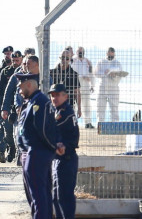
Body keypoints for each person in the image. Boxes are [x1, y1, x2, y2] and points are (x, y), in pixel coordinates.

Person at [16, 72, 63, 219]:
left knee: (39, 198)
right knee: (37, 197)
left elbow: (44, 130)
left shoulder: (40, 102)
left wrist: (53, 147)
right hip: (32, 153)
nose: (19, 91)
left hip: (36, 154)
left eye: (20, 87)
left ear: (29, 84)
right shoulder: (32, 101)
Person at [49, 83, 80, 219]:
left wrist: (63, 146)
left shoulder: (65, 112)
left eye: (58, 95)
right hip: (59, 158)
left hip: (66, 159)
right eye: (52, 95)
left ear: (65, 96)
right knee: (56, 196)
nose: (54, 98)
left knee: (64, 197)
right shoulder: (57, 110)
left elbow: (71, 137)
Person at [0, 50, 23, 162]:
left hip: (19, 107)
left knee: (18, 131)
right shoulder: (5, 72)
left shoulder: (26, 72)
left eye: (17, 60)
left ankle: (16, 153)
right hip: (8, 106)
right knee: (7, 132)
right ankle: (11, 149)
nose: (15, 62)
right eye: (13, 60)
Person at [49, 50, 82, 122]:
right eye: (63, 57)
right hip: (54, 105)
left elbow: (77, 92)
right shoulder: (52, 72)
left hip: (68, 105)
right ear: (59, 58)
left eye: (67, 58)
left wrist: (79, 108)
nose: (64, 60)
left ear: (70, 59)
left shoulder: (74, 74)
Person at [96, 47, 125, 123]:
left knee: (114, 107)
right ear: (107, 53)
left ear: (114, 54)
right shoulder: (101, 62)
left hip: (113, 88)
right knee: (100, 107)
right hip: (102, 87)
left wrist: (114, 75)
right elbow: (96, 73)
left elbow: (121, 75)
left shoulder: (117, 63)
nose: (111, 57)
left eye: (112, 56)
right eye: (109, 55)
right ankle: (100, 125)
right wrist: (105, 73)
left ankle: (114, 125)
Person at [70, 47, 94, 128]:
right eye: (79, 51)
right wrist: (81, 76)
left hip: (86, 85)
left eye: (82, 51)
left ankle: (88, 123)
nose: (80, 53)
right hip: (76, 85)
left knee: (87, 104)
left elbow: (91, 74)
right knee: (75, 104)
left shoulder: (88, 61)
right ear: (76, 52)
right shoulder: (73, 60)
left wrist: (92, 85)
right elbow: (71, 72)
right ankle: (73, 122)